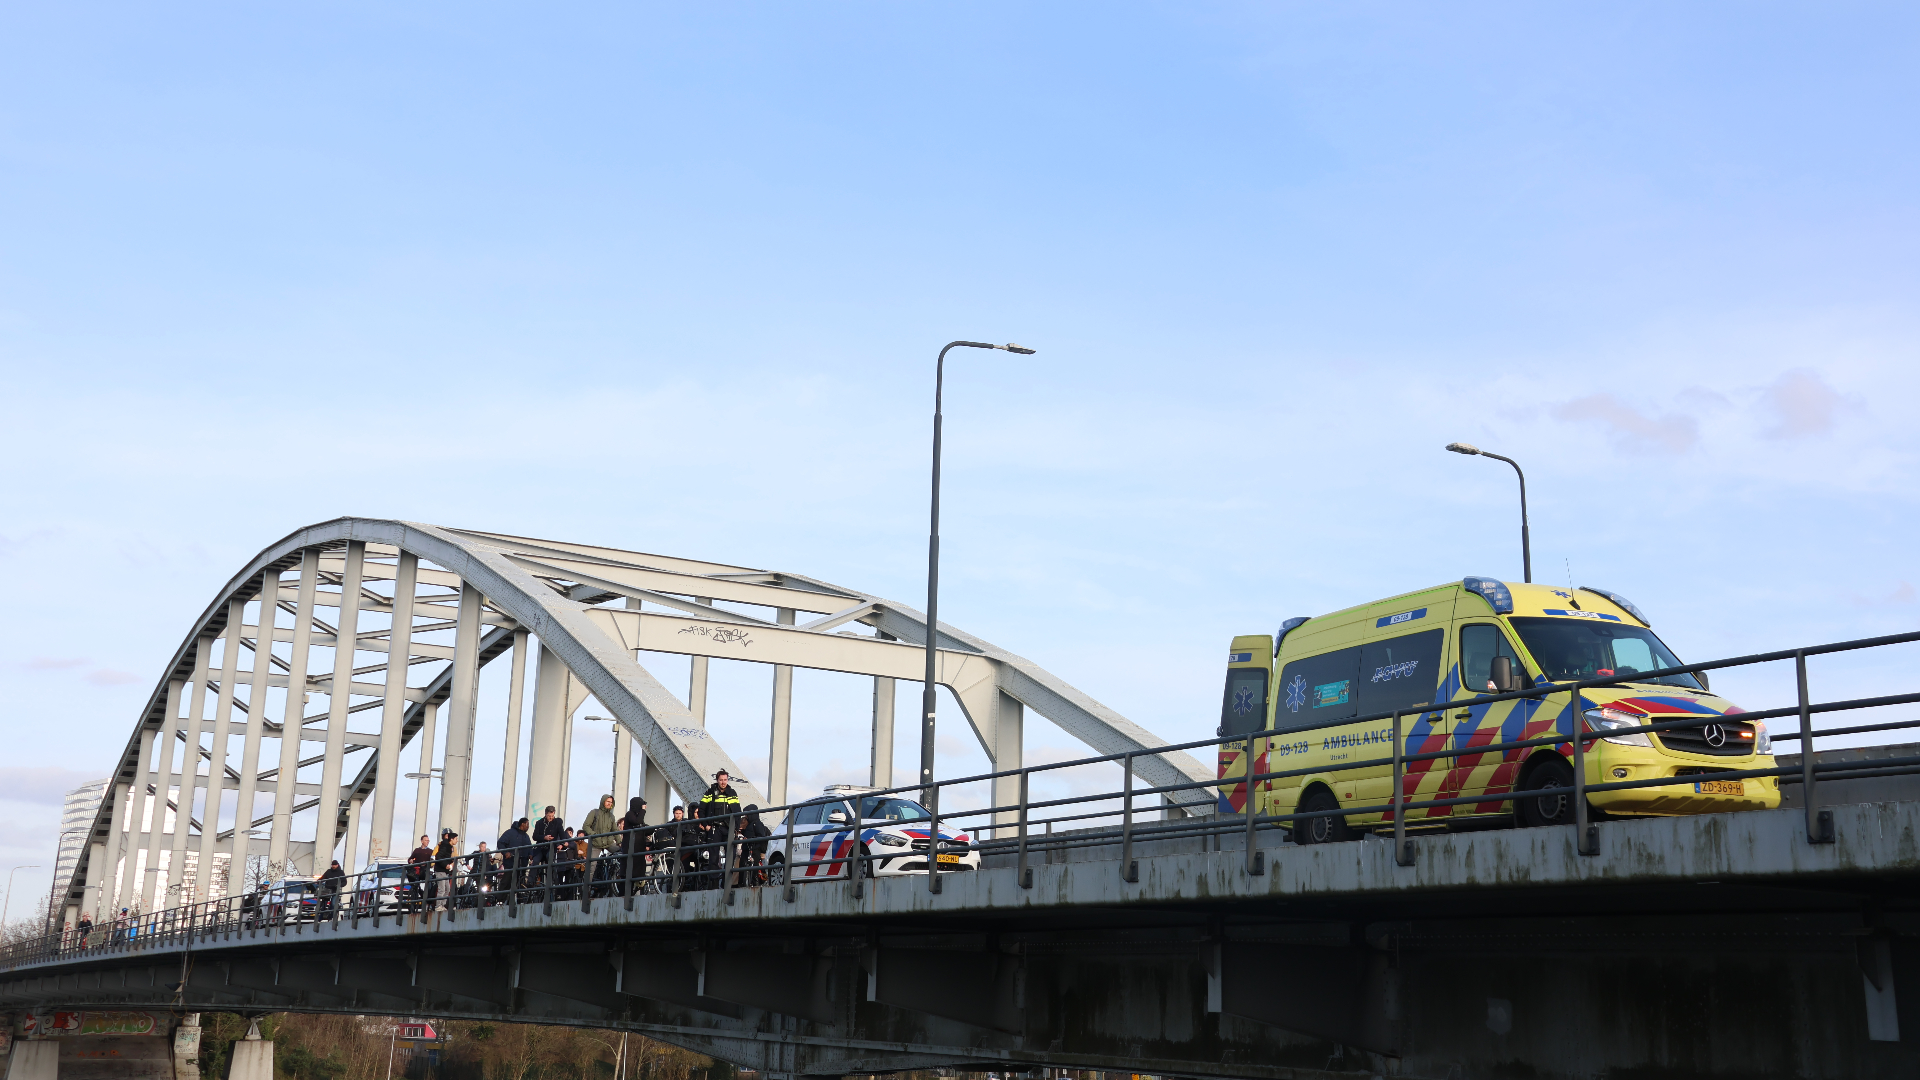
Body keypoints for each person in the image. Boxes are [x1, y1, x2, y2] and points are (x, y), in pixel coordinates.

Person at [582, 794, 619, 894]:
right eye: (608, 801)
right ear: (603, 801)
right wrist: (593, 834)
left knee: (622, 854)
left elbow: (615, 829)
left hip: (608, 842)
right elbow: (586, 826)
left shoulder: (611, 816)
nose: (609, 804)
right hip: (595, 843)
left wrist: (619, 842)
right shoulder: (594, 812)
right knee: (591, 866)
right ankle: (587, 890)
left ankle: (616, 881)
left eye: (611, 802)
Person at [617, 796, 648, 894]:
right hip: (630, 848)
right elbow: (637, 822)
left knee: (637, 873)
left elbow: (642, 826)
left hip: (638, 849)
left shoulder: (637, 815)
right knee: (627, 873)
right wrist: (643, 811)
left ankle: (636, 893)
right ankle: (624, 895)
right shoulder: (629, 814)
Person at [496, 818, 533, 899]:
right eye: (527, 824)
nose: (528, 827)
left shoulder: (526, 836)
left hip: (522, 863)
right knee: (507, 881)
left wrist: (531, 854)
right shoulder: (510, 833)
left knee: (521, 882)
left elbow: (530, 848)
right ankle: (500, 900)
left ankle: (520, 900)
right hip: (510, 863)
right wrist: (506, 853)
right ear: (522, 824)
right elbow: (500, 843)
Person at [531, 806, 566, 889]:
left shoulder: (557, 823)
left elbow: (562, 835)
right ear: (545, 814)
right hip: (540, 847)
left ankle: (551, 880)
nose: (551, 818)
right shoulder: (539, 823)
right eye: (549, 816)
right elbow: (534, 836)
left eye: (552, 816)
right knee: (535, 861)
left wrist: (562, 844)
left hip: (551, 847)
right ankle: (530, 882)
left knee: (549, 859)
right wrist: (544, 837)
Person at [738, 805, 772, 887]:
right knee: (742, 867)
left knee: (754, 869)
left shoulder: (757, 824)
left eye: (747, 814)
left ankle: (755, 883)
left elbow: (761, 836)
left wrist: (751, 839)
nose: (746, 816)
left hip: (755, 849)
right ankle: (741, 884)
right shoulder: (748, 824)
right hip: (746, 848)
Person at [406, 835, 433, 911]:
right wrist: (411, 861)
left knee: (430, 883)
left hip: (425, 871)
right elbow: (410, 859)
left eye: (428, 840)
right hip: (417, 870)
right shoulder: (417, 850)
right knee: (415, 885)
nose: (427, 842)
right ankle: (414, 901)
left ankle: (428, 900)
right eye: (426, 840)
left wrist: (428, 863)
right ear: (422, 841)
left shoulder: (430, 851)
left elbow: (432, 861)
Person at [433, 830, 459, 909]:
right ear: (451, 839)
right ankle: (438, 906)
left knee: (447, 889)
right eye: (456, 839)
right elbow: (438, 856)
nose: (457, 840)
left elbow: (446, 857)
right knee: (442, 889)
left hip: (445, 871)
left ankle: (442, 905)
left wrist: (451, 863)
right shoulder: (445, 846)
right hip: (440, 870)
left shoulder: (450, 847)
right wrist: (446, 865)